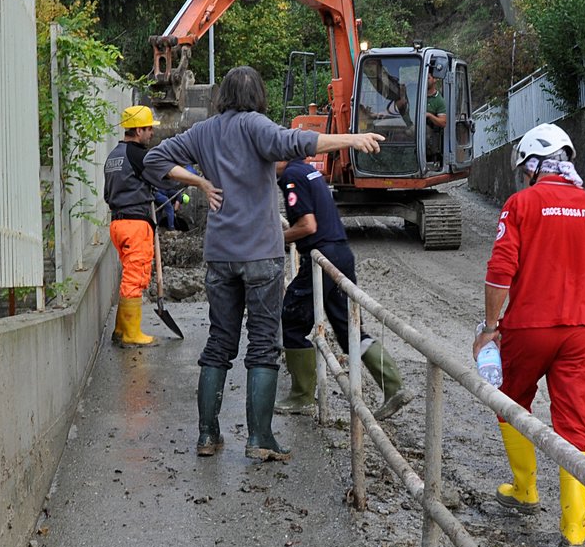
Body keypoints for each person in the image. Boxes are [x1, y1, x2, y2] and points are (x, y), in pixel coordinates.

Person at [144, 66, 384, 462]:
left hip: (220, 255)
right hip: (260, 255)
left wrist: (200, 182)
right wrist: (351, 139)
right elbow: (298, 141)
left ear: (222, 96)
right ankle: (259, 439)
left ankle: (207, 435)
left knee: (219, 344)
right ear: (257, 95)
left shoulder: (204, 131)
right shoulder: (256, 125)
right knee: (262, 346)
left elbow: (154, 160)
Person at [474, 123, 585, 547]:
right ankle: (574, 532)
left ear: (534, 166)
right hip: (584, 330)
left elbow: (500, 272)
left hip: (530, 326)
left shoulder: (522, 204)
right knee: (577, 425)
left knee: (511, 400)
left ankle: (524, 489)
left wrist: (490, 328)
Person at [276, 156, 412, 421]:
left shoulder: (292, 176)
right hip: (341, 252)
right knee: (348, 329)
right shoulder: (307, 170)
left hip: (322, 255)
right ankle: (393, 386)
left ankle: (302, 396)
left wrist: (275, 238)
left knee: (292, 318)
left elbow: (307, 225)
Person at [103, 105, 168, 347]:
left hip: (118, 224)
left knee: (130, 275)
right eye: (149, 128)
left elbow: (107, 193)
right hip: (135, 223)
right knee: (135, 275)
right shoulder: (138, 155)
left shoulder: (114, 156)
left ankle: (121, 329)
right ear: (138, 130)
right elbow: (162, 177)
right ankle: (131, 334)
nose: (151, 133)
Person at [423, 72, 448, 164]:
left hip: (426, 132)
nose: (425, 80)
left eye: (428, 78)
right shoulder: (417, 95)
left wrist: (429, 115)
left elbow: (443, 122)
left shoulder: (439, 100)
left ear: (435, 80)